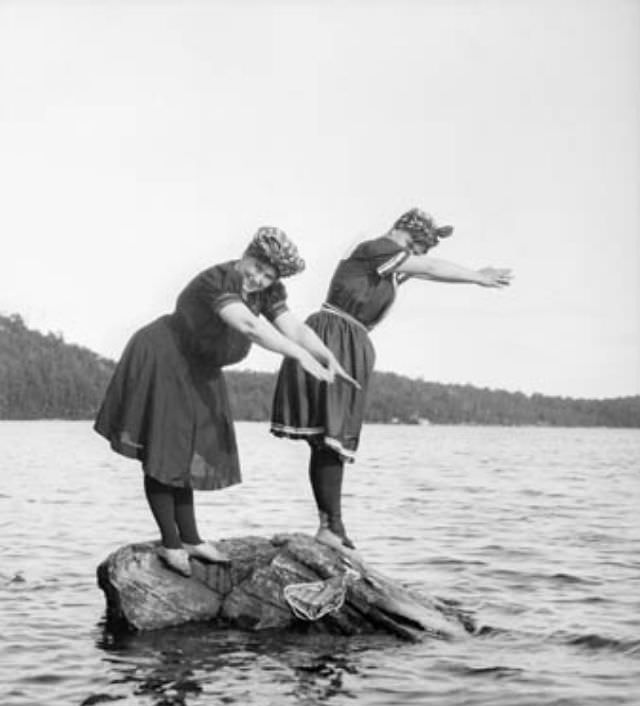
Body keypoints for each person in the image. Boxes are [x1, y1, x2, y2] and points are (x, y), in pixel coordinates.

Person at [95, 226, 349, 577]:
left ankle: (192, 538)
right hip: (164, 356)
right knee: (163, 451)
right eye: (256, 266)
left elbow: (294, 328)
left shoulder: (268, 291)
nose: (257, 278)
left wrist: (323, 355)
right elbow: (248, 327)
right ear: (246, 254)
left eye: (267, 275)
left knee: (189, 451)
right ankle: (171, 543)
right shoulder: (218, 280)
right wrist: (297, 357)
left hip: (198, 367)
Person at [270, 207, 513, 554]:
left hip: (346, 337)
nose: (416, 256)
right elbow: (428, 267)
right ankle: (331, 526)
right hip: (335, 336)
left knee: (331, 440)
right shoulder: (379, 248)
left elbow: (427, 272)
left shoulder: (389, 265)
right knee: (329, 437)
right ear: (404, 235)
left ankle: (331, 525)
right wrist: (477, 276)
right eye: (415, 247)